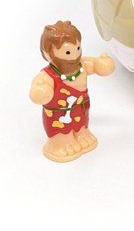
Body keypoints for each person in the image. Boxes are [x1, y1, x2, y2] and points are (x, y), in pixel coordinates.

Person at [29, 20, 115, 162]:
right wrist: (40, 90)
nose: (74, 56)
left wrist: (102, 64)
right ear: (48, 54)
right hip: (59, 116)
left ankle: (81, 134)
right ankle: (59, 143)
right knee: (61, 131)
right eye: (68, 52)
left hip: (80, 110)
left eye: (78, 48)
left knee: (81, 125)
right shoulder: (49, 76)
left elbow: (95, 65)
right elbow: (37, 89)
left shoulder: (82, 66)